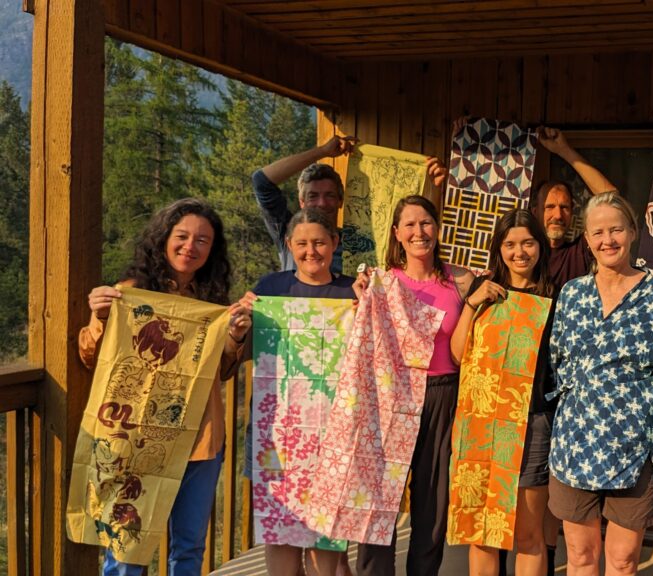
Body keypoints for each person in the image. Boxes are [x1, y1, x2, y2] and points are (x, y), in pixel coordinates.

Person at [80, 198, 254, 576]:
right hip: (137, 440)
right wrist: (99, 316)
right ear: (163, 239)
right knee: (126, 544)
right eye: (182, 236)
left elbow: (223, 370)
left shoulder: (213, 301)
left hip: (199, 441)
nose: (190, 246)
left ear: (212, 250)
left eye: (202, 240)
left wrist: (235, 337)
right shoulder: (130, 292)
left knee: (189, 548)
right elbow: (93, 356)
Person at [547, 192, 653, 576]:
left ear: (633, 232)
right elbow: (558, 359)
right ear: (587, 239)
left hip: (636, 442)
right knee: (580, 555)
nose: (608, 240)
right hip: (576, 439)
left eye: (616, 230)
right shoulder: (572, 293)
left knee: (623, 560)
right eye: (598, 232)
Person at [355, 195, 474, 576]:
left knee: (433, 501)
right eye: (409, 224)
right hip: (394, 396)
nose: (419, 231)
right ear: (396, 233)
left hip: (443, 393)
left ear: (437, 229)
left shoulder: (461, 281)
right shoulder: (381, 283)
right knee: (380, 498)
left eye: (426, 223)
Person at [250, 208, 360, 576]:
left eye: (319, 242)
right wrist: (241, 320)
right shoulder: (270, 289)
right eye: (301, 244)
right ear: (288, 245)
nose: (311, 251)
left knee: (326, 531)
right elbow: (243, 346)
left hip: (335, 433)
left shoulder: (352, 292)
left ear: (335, 243)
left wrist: (368, 307)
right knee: (281, 530)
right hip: (278, 433)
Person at [449, 209, 556, 576]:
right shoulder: (483, 291)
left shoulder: (555, 296)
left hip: (532, 423)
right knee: (482, 532)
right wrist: (471, 303)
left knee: (527, 534)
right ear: (499, 248)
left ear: (540, 246)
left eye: (528, 243)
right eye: (510, 244)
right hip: (481, 423)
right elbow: (458, 354)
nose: (519, 252)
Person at [252, 136, 447, 273]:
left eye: (329, 195)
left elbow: (418, 235)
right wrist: (322, 151)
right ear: (302, 202)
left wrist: (435, 187)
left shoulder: (362, 240)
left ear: (340, 200)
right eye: (313, 196)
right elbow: (261, 182)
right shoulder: (289, 235)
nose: (321, 203)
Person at [532, 127, 619, 290]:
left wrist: (564, 150)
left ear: (572, 213)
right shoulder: (522, 255)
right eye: (549, 207)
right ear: (535, 212)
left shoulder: (577, 253)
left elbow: (611, 197)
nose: (558, 215)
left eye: (564, 207)